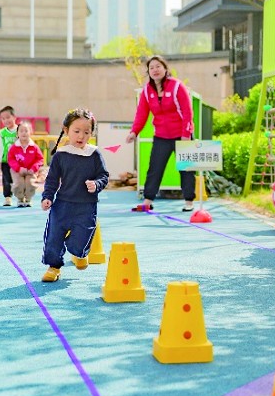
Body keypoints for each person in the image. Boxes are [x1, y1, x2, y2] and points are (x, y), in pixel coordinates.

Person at [41, 108, 109, 283]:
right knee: (53, 237)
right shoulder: (61, 155)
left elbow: (103, 176)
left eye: (86, 132)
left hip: (86, 206)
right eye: (76, 131)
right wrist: (47, 197)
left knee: (80, 240)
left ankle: (79, 253)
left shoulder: (94, 154)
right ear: (66, 130)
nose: (81, 136)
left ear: (91, 133)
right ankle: (54, 267)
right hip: (62, 204)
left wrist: (96, 184)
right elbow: (52, 179)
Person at [125, 55, 195, 212]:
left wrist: (186, 134)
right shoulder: (147, 91)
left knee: (186, 169)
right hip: (161, 136)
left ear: (165, 68)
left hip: (182, 135)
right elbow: (141, 114)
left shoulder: (177, 86)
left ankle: (189, 201)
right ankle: (148, 201)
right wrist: (134, 132)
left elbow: (187, 111)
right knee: (154, 169)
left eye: (158, 66)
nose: (155, 70)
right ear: (148, 72)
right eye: (151, 68)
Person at [7, 121, 44, 207]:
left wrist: (33, 168)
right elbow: (11, 159)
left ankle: (28, 199)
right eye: (21, 131)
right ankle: (20, 199)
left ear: (31, 132)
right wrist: (18, 168)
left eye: (26, 131)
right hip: (17, 170)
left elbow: (40, 159)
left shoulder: (34, 147)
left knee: (30, 183)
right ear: (17, 133)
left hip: (31, 170)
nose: (24, 133)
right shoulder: (14, 147)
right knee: (19, 183)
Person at [0, 105, 19, 206]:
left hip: (18, 161)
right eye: (3, 118)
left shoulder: (20, 130)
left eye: (8, 117)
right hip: (6, 160)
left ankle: (21, 197)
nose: (6, 120)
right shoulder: (2, 133)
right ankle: (7, 197)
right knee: (6, 179)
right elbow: (0, 147)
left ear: (14, 117)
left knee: (18, 179)